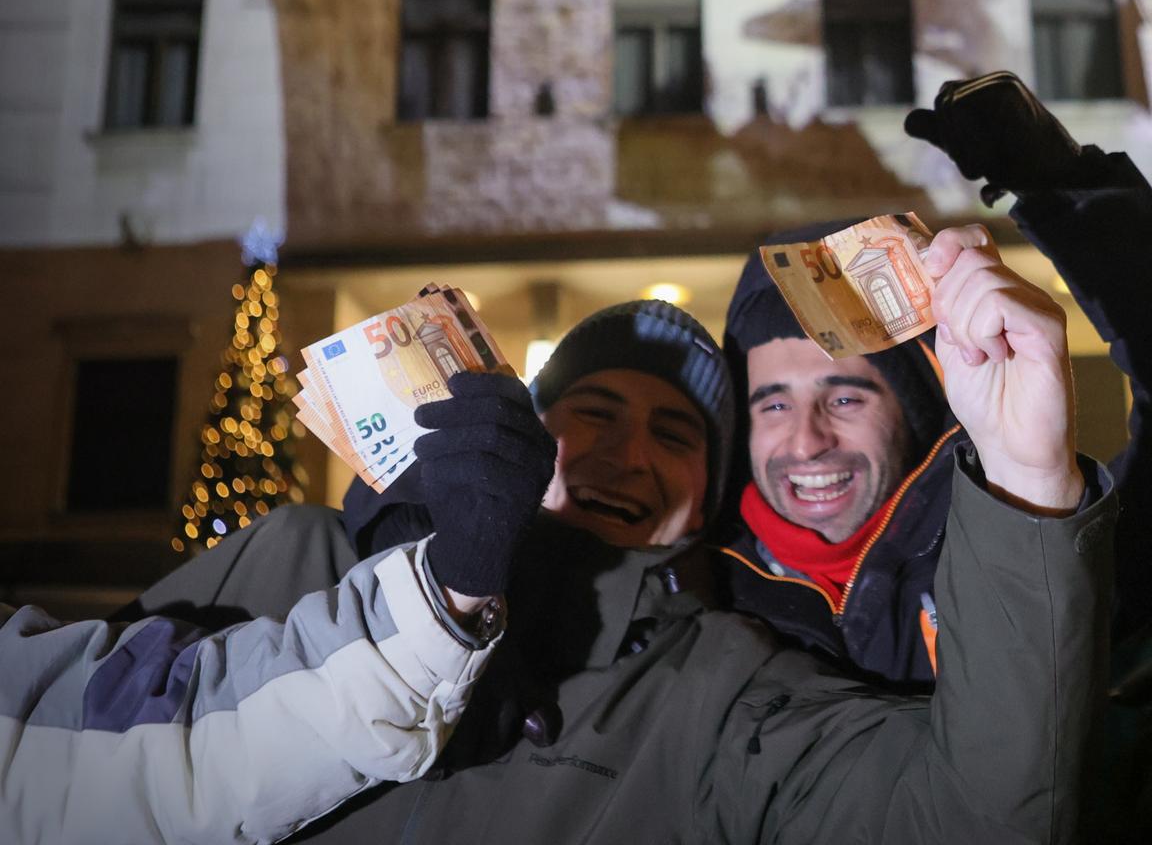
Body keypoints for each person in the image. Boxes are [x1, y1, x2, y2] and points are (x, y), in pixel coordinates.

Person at [138, 266, 1112, 845]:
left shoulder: (728, 691)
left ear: (705, 501)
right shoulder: (296, 560)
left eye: (676, 436)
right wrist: (425, 586)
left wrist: (1026, 474)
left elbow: (972, 821)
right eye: (591, 414)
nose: (625, 453)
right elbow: (79, 761)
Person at [720, 72, 1150, 689]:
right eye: (773, 405)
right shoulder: (690, 586)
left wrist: (1073, 193)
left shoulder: (1053, 554)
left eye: (844, 397)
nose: (807, 443)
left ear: (918, 409)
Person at [2, 421, 556, 845]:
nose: (623, 458)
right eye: (594, 418)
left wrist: (446, 592)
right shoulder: (305, 542)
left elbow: (135, 741)